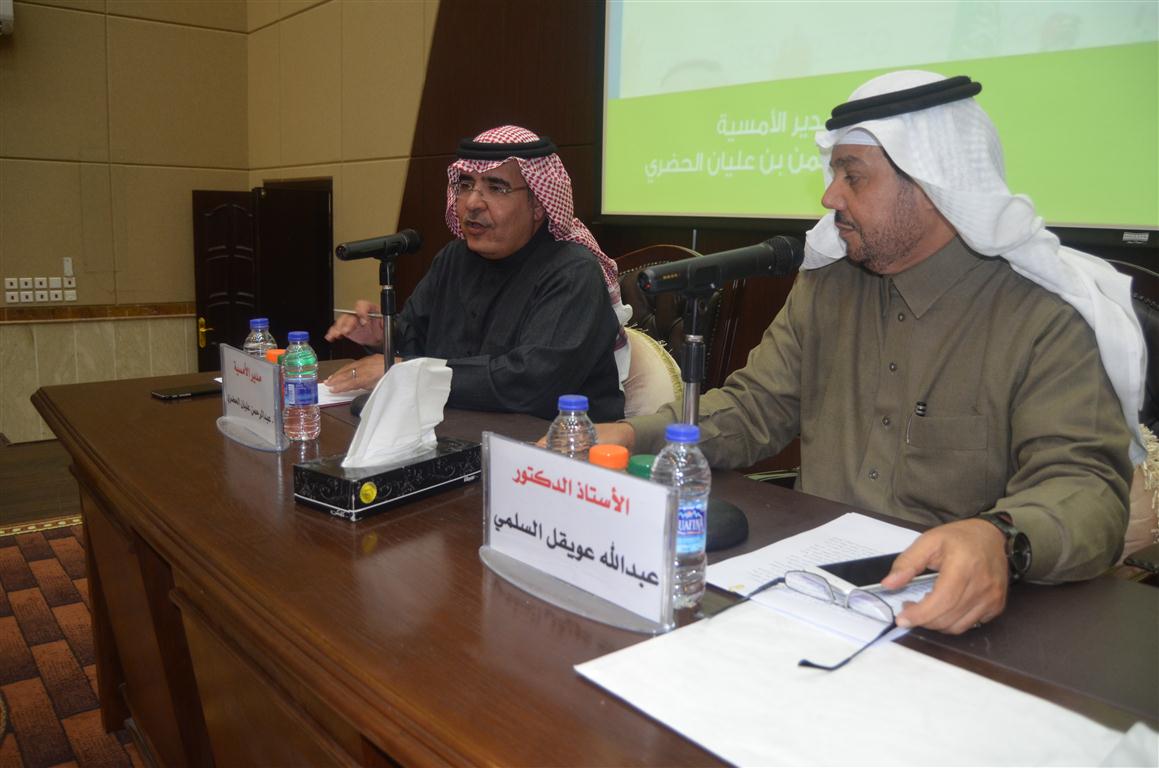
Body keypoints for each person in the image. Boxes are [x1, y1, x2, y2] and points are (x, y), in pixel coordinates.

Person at [598, 71, 1144, 634]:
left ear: (931, 186)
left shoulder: (1043, 314)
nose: (829, 196)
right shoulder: (829, 285)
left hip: (960, 621)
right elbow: (755, 407)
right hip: (803, 593)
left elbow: (1086, 489)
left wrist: (999, 538)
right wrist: (633, 435)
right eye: (834, 173)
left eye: (852, 177)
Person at [325, 125, 631, 421]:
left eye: (496, 188)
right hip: (461, 429)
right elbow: (415, 340)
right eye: (466, 185)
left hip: (553, 443)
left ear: (538, 204)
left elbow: (530, 383)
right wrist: (381, 335)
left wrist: (411, 373)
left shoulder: (572, 272)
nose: (472, 203)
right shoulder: (454, 259)